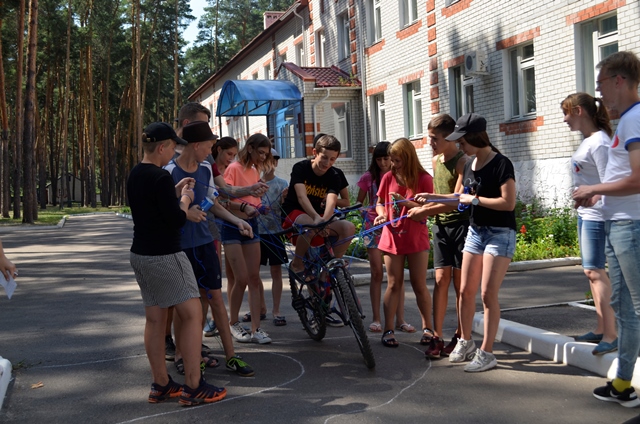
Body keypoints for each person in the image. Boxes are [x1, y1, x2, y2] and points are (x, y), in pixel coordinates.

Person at [127, 122, 226, 405]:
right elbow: (175, 218)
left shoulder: (138, 173)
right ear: (162, 147)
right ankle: (194, 385)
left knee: (155, 319)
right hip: (166, 254)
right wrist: (184, 198)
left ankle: (160, 383)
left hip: (141, 254)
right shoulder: (159, 177)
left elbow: (152, 207)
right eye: (172, 146)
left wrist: (175, 191)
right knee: (193, 315)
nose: (174, 151)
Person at [416, 113, 516, 372]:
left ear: (474, 137)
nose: (459, 145)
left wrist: (476, 201)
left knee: (487, 294)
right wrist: (431, 196)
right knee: (465, 291)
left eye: (462, 141)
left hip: (499, 233)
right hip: (476, 232)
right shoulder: (470, 165)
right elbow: (459, 197)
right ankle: (466, 341)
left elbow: (508, 203)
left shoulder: (501, 163)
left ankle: (487, 352)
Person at [572, 51, 640, 408]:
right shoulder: (629, 119)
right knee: (625, 307)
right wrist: (597, 197)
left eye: (600, 85)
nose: (599, 95)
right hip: (619, 223)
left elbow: (638, 179)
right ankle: (623, 384)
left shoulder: (634, 119)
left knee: (637, 308)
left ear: (619, 81)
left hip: (631, 227)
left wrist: (593, 189)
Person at [164, 120, 256, 377]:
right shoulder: (169, 171)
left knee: (215, 298)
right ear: (196, 145)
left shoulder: (205, 167)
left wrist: (238, 220)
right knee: (186, 305)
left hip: (205, 243)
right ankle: (184, 357)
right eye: (209, 146)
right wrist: (185, 213)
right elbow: (164, 211)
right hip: (179, 247)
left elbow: (212, 203)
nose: (211, 151)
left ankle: (231, 356)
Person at [408, 114, 469, 358]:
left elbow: (456, 201)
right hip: (441, 228)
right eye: (429, 138)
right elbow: (435, 196)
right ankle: (437, 335)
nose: (430, 143)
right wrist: (415, 205)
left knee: (460, 285)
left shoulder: (463, 161)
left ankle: (459, 335)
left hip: (462, 227)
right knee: (441, 281)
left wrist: (423, 209)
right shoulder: (435, 161)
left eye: (434, 139)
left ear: (450, 138)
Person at [561, 92, 617, 355]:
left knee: (596, 272)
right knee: (590, 272)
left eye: (567, 113)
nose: (564, 120)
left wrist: (592, 195)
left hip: (598, 216)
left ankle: (611, 333)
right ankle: (599, 328)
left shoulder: (600, 143)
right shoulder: (589, 141)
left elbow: (611, 182)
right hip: (587, 215)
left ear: (579, 111)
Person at [374, 137, 434, 348]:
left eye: (398, 161)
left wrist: (405, 203)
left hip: (415, 237)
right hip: (391, 237)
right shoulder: (388, 177)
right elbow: (380, 202)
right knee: (393, 283)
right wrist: (381, 214)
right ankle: (388, 329)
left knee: (419, 284)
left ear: (408, 158)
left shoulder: (423, 178)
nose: (394, 165)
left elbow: (427, 210)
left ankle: (428, 328)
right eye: (392, 160)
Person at [282, 134, 356, 296]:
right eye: (324, 157)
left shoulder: (334, 175)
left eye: (332, 159)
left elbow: (331, 200)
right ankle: (297, 263)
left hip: (319, 218)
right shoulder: (301, 168)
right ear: (314, 152)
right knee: (311, 225)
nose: (327, 163)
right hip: (295, 213)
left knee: (349, 227)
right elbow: (301, 197)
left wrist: (324, 220)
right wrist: (317, 219)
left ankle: (328, 269)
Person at [356, 142, 415, 334]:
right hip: (372, 227)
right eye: (379, 159)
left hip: (393, 227)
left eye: (386, 159)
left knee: (396, 277)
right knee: (376, 272)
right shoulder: (368, 177)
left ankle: (400, 319)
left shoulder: (399, 176)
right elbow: (359, 202)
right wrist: (361, 210)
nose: (382, 162)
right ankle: (376, 319)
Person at [223, 133, 273, 344]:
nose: (263, 158)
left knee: (254, 278)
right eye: (260, 152)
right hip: (232, 225)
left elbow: (253, 200)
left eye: (266, 154)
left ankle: (256, 328)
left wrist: (261, 207)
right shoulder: (233, 168)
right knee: (241, 278)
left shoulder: (254, 170)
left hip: (251, 226)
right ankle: (233, 322)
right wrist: (244, 207)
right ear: (250, 148)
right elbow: (223, 199)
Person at [256, 148, 290, 326]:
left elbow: (286, 212)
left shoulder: (282, 184)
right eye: (267, 160)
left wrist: (285, 200)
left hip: (275, 233)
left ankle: (276, 310)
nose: (271, 164)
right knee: (254, 273)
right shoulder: (254, 182)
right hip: (257, 232)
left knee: (276, 271)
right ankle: (260, 307)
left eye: (274, 160)